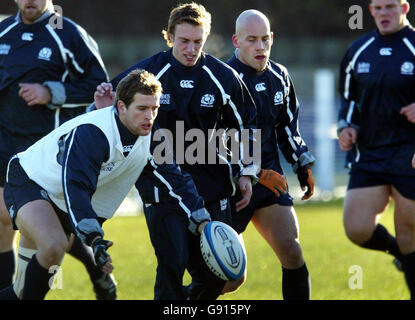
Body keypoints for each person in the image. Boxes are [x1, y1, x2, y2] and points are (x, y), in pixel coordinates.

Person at [95, 2, 281, 300]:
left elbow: (246, 124)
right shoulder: (148, 74)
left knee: (222, 276)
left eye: (198, 42)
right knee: (172, 265)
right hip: (163, 191)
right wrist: (102, 108)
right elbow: (112, 108)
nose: (191, 49)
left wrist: (247, 173)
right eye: (183, 41)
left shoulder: (223, 78)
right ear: (169, 36)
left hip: (213, 189)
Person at [0, 69, 212, 300]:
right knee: (54, 245)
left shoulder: (152, 136)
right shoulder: (93, 132)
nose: (149, 116)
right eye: (142, 108)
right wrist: (94, 238)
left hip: (60, 197)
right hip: (30, 179)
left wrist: (203, 222)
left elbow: (177, 181)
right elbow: (77, 184)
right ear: (121, 107)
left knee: (22, 291)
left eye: (154, 109)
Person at [0, 0, 115, 299]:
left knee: (50, 235)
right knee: (5, 221)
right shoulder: (3, 32)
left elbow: (101, 87)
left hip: (48, 156)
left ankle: (93, 270)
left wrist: (50, 92)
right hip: (5, 151)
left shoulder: (69, 34)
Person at [225, 10, 314, 300]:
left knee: (292, 250)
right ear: (237, 41)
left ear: (272, 39)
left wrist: (302, 162)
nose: (260, 47)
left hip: (269, 182)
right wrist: (253, 172)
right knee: (230, 277)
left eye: (265, 39)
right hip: (228, 187)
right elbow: (210, 142)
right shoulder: (222, 80)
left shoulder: (280, 76)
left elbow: (287, 128)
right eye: (252, 40)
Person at [338, 0, 415, 299]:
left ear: (404, 8)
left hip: (409, 154)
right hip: (369, 153)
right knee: (356, 228)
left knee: (410, 235)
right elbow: (348, 101)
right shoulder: (358, 50)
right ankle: (404, 256)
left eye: (390, 7)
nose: (384, 13)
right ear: (370, 10)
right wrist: (346, 127)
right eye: (378, 7)